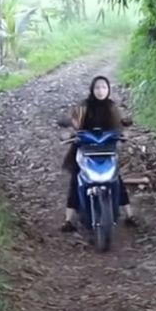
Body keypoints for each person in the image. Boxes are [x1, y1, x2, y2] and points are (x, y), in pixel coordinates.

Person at [61, 75, 136, 232]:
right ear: (92, 89)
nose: (100, 90)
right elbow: (73, 123)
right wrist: (69, 133)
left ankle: (129, 214)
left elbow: (122, 124)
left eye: (103, 87)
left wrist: (125, 133)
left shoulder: (112, 107)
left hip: (107, 150)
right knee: (76, 179)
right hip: (85, 150)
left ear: (108, 89)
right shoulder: (84, 105)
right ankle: (68, 219)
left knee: (117, 179)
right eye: (97, 87)